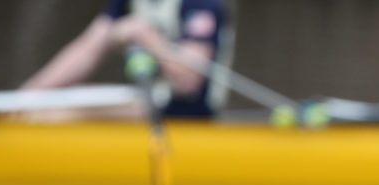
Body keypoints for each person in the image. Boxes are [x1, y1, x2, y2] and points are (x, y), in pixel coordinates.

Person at [20, 0, 233, 120]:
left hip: (189, 113)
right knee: (52, 102)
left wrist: (146, 37)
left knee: (62, 113)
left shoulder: (202, 4)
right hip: (147, 103)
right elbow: (85, 51)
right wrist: (29, 94)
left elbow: (189, 81)